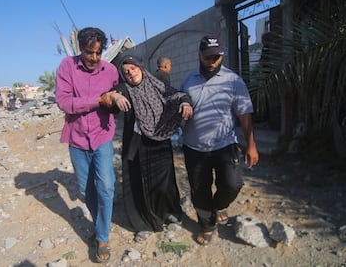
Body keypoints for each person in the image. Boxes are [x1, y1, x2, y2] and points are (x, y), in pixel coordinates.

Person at [100, 55, 193, 240]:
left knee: (165, 178)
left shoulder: (156, 83)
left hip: (159, 139)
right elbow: (109, 101)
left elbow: (176, 94)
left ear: (140, 68)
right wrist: (114, 95)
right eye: (126, 71)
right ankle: (142, 221)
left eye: (133, 69)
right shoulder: (123, 89)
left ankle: (169, 212)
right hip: (137, 144)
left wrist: (185, 102)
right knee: (138, 181)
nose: (130, 73)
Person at [180, 34, 259, 245]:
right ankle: (207, 225)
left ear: (222, 56)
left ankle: (219, 205)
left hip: (225, 145)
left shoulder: (233, 80)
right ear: (200, 55)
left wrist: (251, 145)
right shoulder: (188, 81)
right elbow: (179, 106)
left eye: (216, 57)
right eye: (208, 57)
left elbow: (244, 114)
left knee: (233, 184)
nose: (212, 62)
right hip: (194, 148)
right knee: (199, 189)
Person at [55, 27, 119, 263]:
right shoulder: (67, 67)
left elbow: (119, 92)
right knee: (86, 190)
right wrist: (98, 100)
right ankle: (99, 222)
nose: (93, 58)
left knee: (106, 186)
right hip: (78, 138)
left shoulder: (111, 70)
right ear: (81, 49)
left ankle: (102, 237)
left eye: (98, 52)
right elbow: (64, 102)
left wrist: (114, 99)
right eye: (88, 52)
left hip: (102, 136)